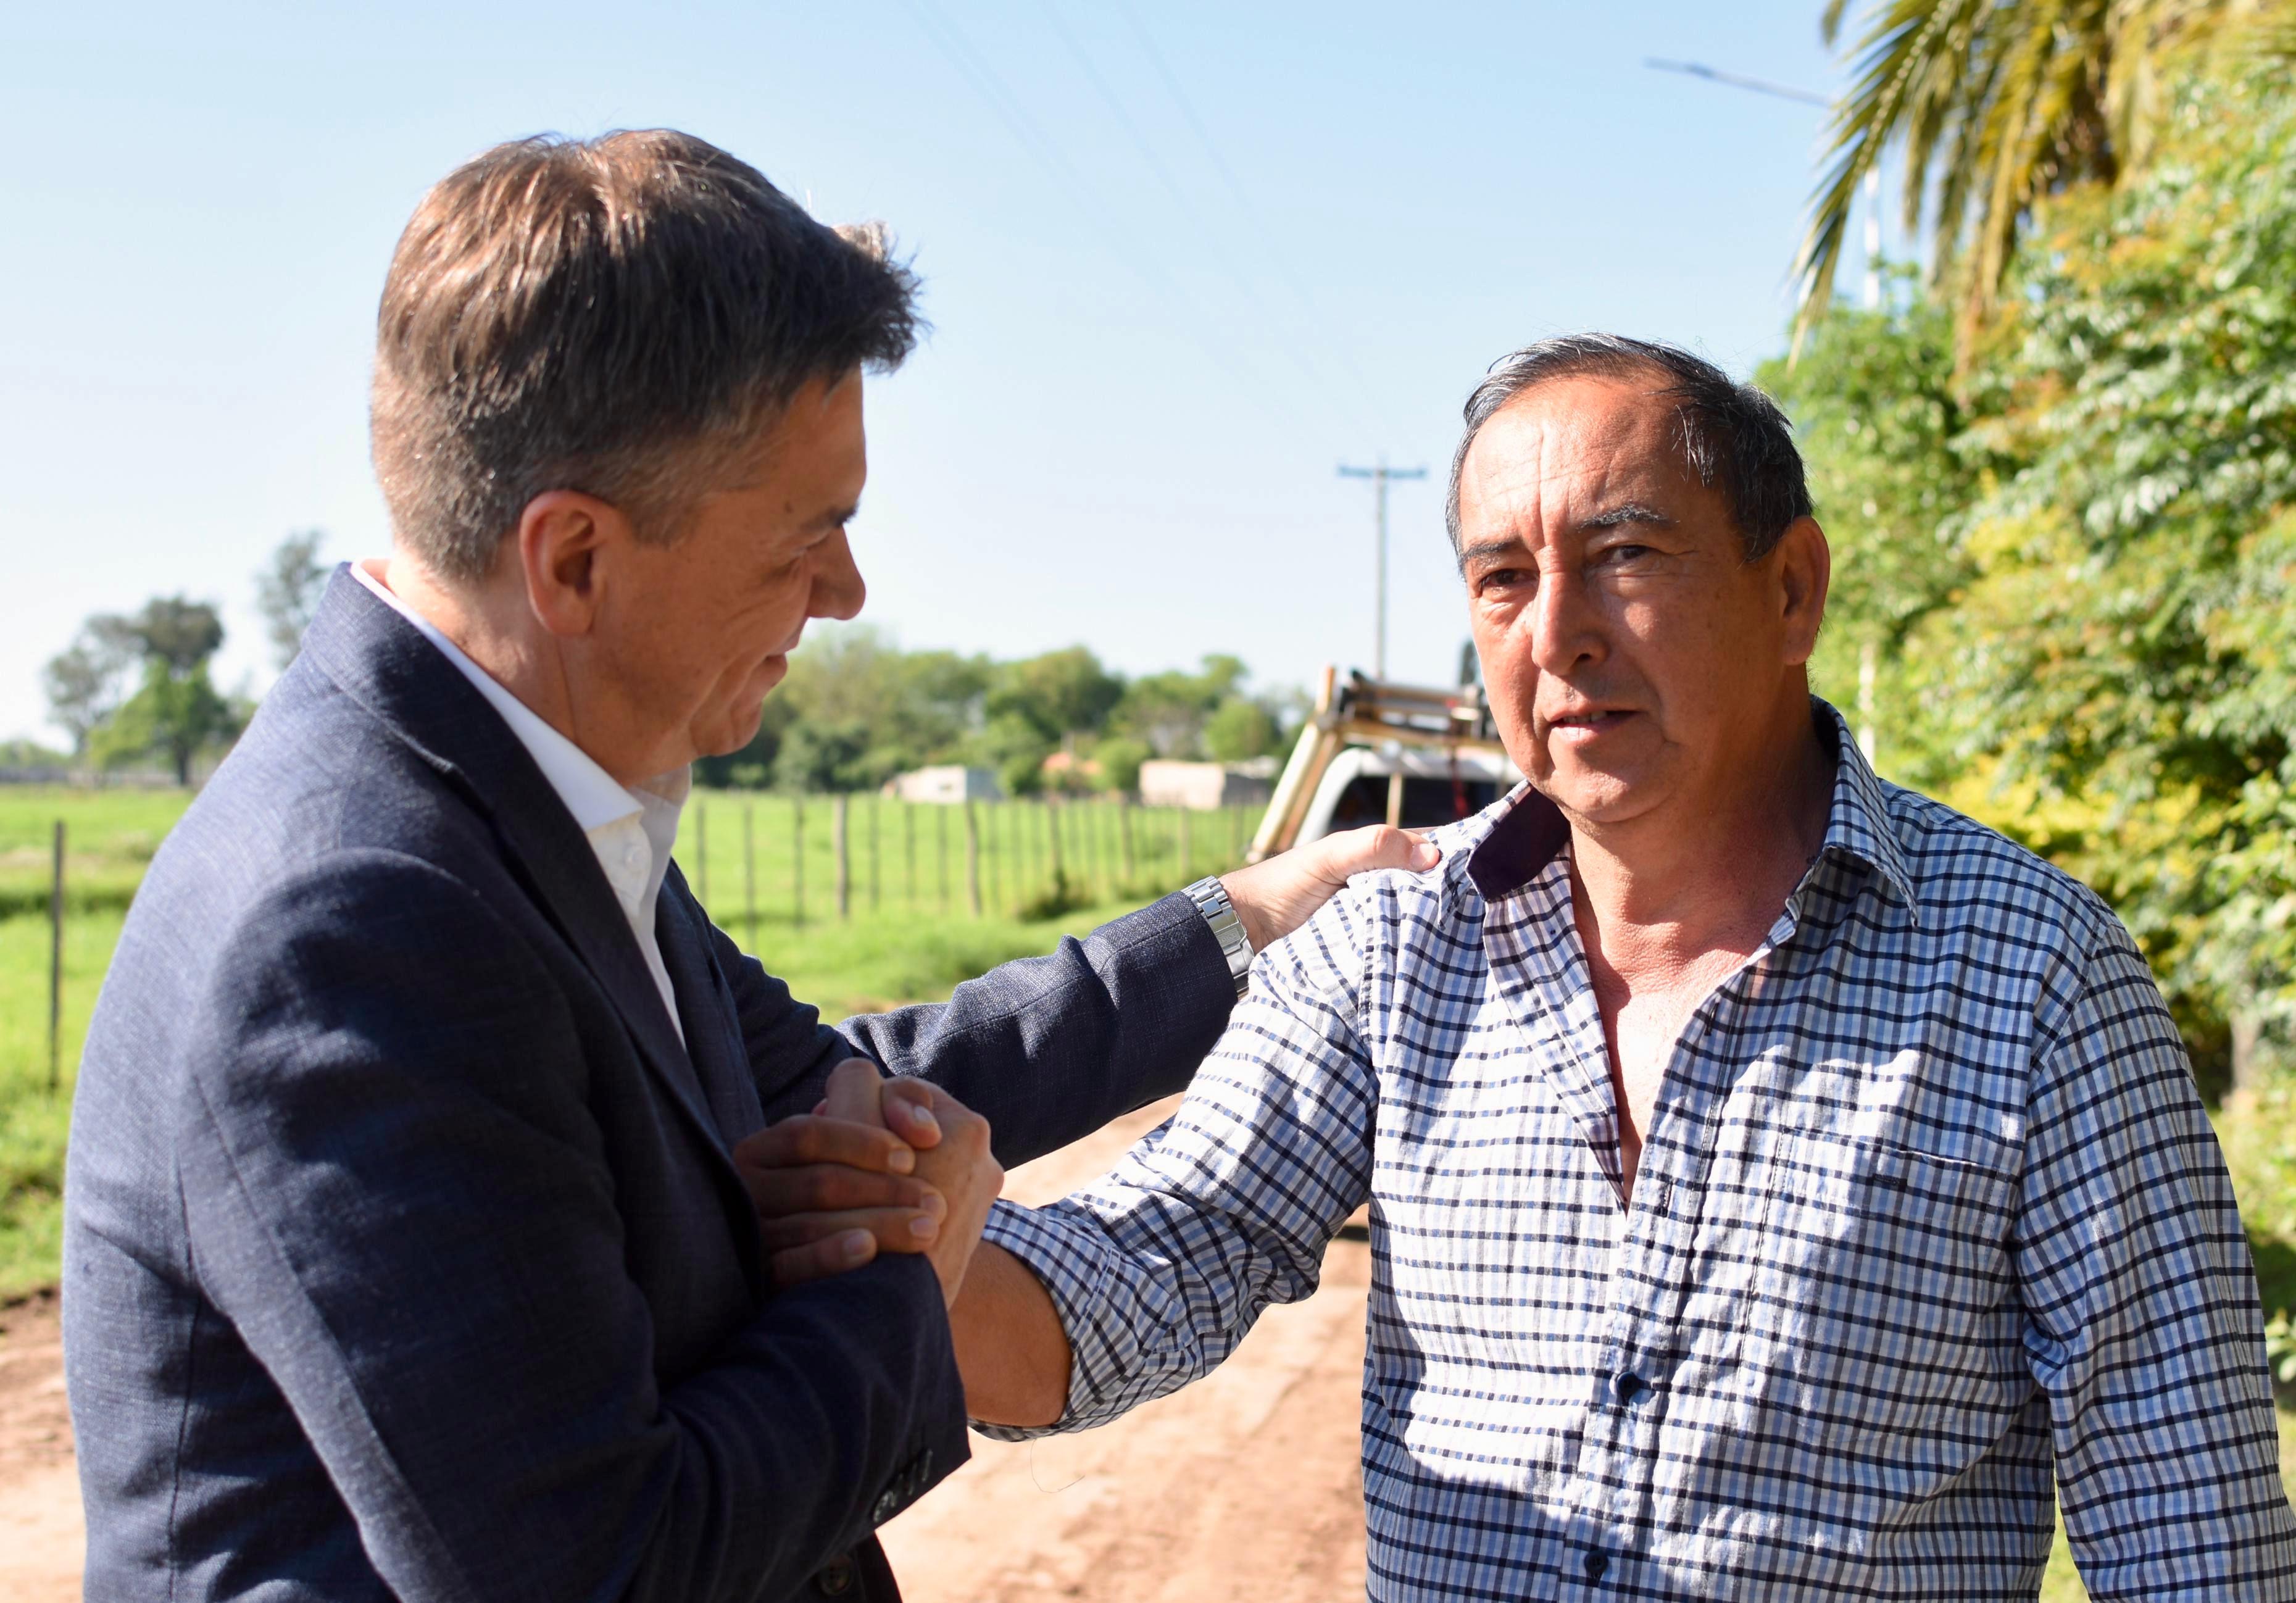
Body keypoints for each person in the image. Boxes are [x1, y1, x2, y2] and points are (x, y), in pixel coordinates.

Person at [59, 130, 1428, 1603]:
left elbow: (839, 1091)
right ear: (574, 561)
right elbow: (602, 1569)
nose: (847, 592)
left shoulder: (508, 809)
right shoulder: (357, 925)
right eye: (808, 536)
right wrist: (905, 1278)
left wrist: (1245, 926)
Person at [922, 336, 2296, 1600]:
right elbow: (1151, 1264)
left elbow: (2189, 1519)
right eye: (1503, 579)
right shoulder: (1393, 952)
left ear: (1793, 589)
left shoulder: (2037, 976)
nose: (1557, 634)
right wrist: (896, 1250)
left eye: (1626, 553)